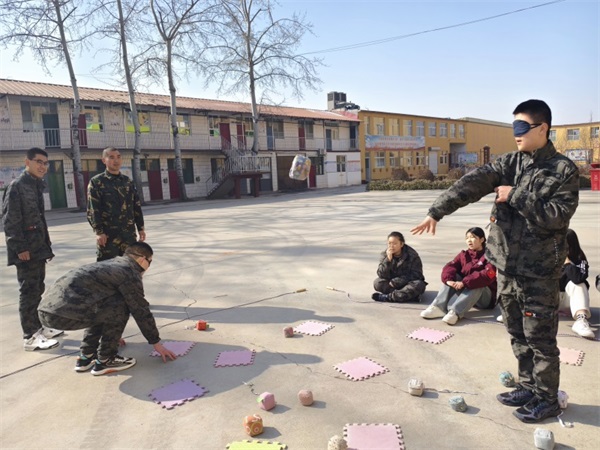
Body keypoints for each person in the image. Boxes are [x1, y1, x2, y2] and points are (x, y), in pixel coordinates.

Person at [411, 100, 579, 423]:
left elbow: (557, 217)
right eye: (512, 126)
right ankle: (529, 387)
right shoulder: (509, 163)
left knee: (540, 338)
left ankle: (547, 398)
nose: (515, 134)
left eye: (522, 127)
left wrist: (515, 195)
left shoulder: (563, 171)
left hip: (538, 272)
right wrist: (437, 211)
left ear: (543, 128)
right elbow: (471, 184)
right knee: (516, 331)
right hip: (507, 268)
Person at [38, 242, 176, 376]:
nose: (149, 266)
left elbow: (101, 309)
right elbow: (141, 310)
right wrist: (156, 343)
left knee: (105, 304)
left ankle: (86, 357)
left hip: (46, 312)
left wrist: (113, 334)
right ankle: (106, 359)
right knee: (122, 304)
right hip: (65, 314)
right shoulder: (129, 272)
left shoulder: (112, 265)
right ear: (142, 259)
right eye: (150, 262)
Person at [2, 147, 64, 351]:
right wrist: (19, 248)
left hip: (38, 248)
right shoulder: (17, 186)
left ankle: (38, 327)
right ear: (27, 162)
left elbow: (38, 220)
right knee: (28, 291)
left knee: (38, 288)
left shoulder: (36, 185)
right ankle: (30, 336)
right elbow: (10, 221)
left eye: (45, 163)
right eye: (38, 161)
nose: (42, 166)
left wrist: (46, 247)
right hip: (26, 250)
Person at [421, 227, 497, 325]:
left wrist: (464, 282)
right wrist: (449, 280)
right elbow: (450, 266)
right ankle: (438, 307)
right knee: (452, 276)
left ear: (482, 240)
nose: (469, 240)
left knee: (479, 282)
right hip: (467, 292)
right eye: (467, 238)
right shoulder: (464, 255)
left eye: (473, 237)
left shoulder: (490, 256)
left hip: (486, 299)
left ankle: (455, 312)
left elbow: (486, 275)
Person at [87, 147, 145, 261]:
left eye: (118, 157)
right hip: (108, 238)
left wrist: (141, 228)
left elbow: (136, 206)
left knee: (129, 269)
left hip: (128, 236)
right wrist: (99, 232)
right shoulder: (96, 182)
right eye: (111, 157)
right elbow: (93, 210)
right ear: (104, 160)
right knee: (106, 272)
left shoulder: (127, 181)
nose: (116, 160)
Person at [371, 231, 426, 303]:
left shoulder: (412, 255)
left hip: (406, 283)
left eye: (394, 244)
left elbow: (417, 274)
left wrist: (397, 281)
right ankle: (407, 296)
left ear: (401, 244)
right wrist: (388, 260)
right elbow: (381, 274)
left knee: (419, 285)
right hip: (391, 284)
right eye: (389, 243)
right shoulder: (385, 254)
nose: (391, 246)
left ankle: (388, 297)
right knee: (377, 283)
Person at [559, 229, 594, 339]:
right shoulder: (547, 257)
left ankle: (581, 321)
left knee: (579, 285)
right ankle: (518, 312)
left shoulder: (579, 259)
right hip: (548, 301)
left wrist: (567, 263)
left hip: (569, 302)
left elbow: (578, 278)